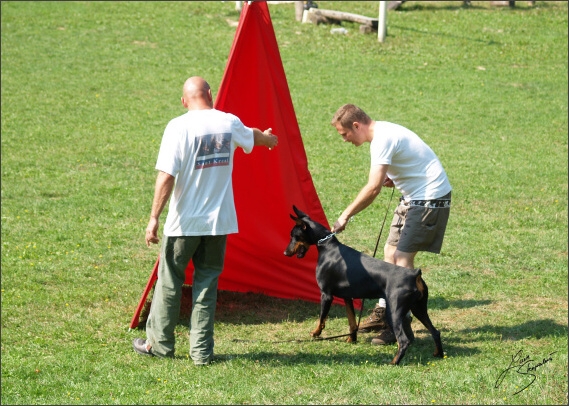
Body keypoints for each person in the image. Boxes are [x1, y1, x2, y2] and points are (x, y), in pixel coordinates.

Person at [133, 76, 278, 365]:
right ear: (210, 94)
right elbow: (254, 136)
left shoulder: (178, 126)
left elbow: (166, 176)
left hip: (184, 223)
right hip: (218, 223)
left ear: (184, 101)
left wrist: (153, 218)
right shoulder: (228, 122)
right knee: (207, 283)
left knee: (170, 282)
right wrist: (269, 139)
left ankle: (160, 345)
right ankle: (201, 352)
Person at [330, 104, 451, 346]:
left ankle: (400, 327)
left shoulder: (382, 140)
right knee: (389, 254)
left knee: (403, 260)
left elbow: (373, 187)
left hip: (429, 199)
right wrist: (396, 177)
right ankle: (385, 312)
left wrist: (345, 215)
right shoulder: (382, 133)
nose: (345, 140)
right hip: (412, 196)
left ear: (356, 126)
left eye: (344, 134)